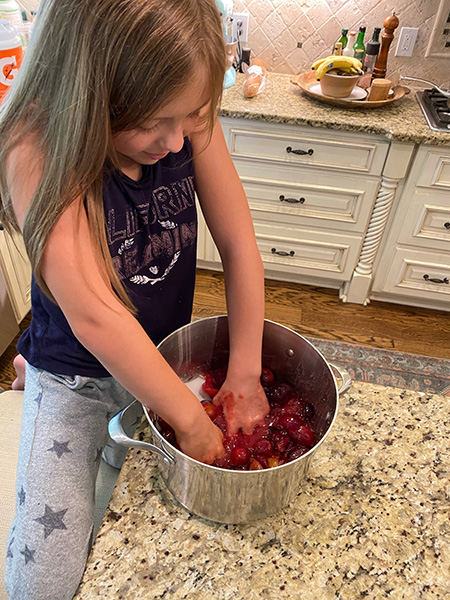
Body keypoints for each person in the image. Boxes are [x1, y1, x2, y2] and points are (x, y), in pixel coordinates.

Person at [0, 0, 270, 598]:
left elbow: (238, 240)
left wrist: (246, 374)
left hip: (160, 360)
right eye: (156, 123)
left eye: (192, 118)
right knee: (44, 576)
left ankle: (24, 366)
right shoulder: (33, 147)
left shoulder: (184, 117)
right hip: (76, 374)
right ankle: (33, 371)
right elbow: (96, 316)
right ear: (90, 95)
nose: (178, 143)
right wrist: (196, 429)